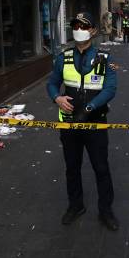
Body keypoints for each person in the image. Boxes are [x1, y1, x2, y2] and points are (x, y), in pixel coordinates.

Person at [46, 12, 119, 231]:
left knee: (101, 168)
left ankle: (106, 211)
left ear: (93, 31)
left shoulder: (105, 59)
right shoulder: (63, 57)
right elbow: (51, 84)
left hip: (95, 123)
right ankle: (75, 205)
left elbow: (110, 89)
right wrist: (57, 98)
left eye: (84, 26)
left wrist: (89, 108)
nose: (78, 29)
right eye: (75, 25)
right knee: (72, 167)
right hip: (69, 124)